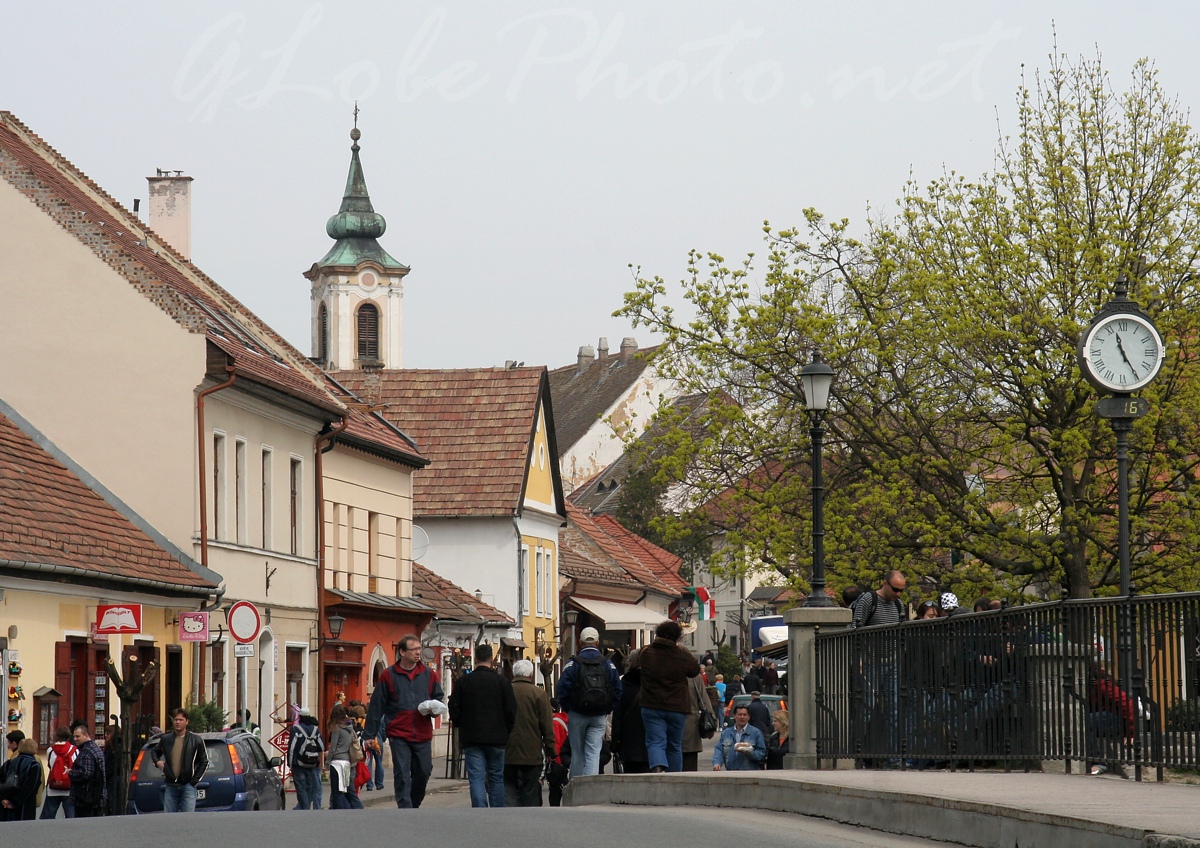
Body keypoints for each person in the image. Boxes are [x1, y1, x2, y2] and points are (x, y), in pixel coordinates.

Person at [365, 633, 445, 808]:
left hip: (423, 733)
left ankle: (414, 803)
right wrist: (370, 734)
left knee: (423, 772)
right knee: (401, 772)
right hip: (398, 732)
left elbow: (438, 697)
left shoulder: (428, 674)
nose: (418, 653)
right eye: (414, 649)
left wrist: (433, 709)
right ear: (402, 652)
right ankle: (405, 807)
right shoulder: (388, 675)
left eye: (419, 649)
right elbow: (376, 706)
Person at [448, 643, 517, 808]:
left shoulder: (464, 682)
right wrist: (506, 731)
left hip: (472, 737)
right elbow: (511, 710)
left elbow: (454, 708)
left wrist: (460, 724)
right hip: (497, 738)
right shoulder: (502, 682)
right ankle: (497, 811)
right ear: (491, 660)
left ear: (475, 659)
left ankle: (480, 810)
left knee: (476, 777)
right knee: (496, 777)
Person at [556, 627, 622, 778]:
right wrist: (607, 708)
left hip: (577, 714)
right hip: (599, 715)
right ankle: (589, 789)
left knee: (577, 753)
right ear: (598, 642)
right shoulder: (607, 664)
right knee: (593, 752)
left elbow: (562, 688)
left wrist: (569, 707)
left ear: (580, 643)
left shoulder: (573, 664)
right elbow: (618, 689)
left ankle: (576, 788)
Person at [637, 619, 701, 773]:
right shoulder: (682, 654)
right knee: (674, 745)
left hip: (651, 704)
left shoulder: (646, 652)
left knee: (655, 742)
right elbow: (694, 670)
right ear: (677, 637)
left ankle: (658, 767)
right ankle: (674, 776)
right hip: (677, 707)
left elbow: (634, 665)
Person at [503, 659, 555, 806]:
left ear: (514, 674)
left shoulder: (504, 691)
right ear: (531, 675)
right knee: (530, 790)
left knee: (509, 789)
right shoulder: (539, 694)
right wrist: (551, 750)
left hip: (507, 750)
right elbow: (547, 725)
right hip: (532, 753)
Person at [151, 707, 209, 813]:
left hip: (188, 786)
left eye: (181, 720)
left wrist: (194, 781)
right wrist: (157, 762)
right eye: (176, 720)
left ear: (186, 722)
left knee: (187, 818)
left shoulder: (196, 740)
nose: (178, 722)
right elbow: (154, 752)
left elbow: (204, 762)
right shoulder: (166, 739)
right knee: (169, 818)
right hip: (170, 786)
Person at [611, 648, 648, 774]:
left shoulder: (624, 684)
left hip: (628, 743)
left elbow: (617, 715)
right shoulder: (652, 684)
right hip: (650, 742)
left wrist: (615, 739)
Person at [326, 703, 364, 809]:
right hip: (347, 762)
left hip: (337, 762)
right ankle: (358, 807)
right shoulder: (350, 728)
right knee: (348, 789)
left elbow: (333, 747)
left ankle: (339, 810)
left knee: (336, 789)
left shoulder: (337, 729)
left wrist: (327, 762)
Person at [287, 706, 324, 810]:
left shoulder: (296, 729)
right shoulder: (315, 730)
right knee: (310, 786)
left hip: (298, 763)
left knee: (301, 787)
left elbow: (292, 747)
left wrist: (290, 763)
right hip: (312, 763)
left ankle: (305, 808)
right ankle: (307, 807)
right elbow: (321, 746)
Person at [682, 665, 718, 772]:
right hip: (690, 726)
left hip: (667, 726)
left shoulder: (663, 673)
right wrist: (712, 722)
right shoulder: (693, 676)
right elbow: (704, 700)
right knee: (689, 766)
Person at [68, 719, 106, 817]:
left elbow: (85, 774)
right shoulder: (95, 748)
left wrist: (70, 772)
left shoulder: (86, 752)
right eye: (74, 736)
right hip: (96, 795)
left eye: (78, 736)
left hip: (86, 798)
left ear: (86, 736)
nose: (75, 739)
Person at [712, 705, 766, 770]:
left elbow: (762, 754)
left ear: (748, 717)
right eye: (739, 714)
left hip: (750, 773)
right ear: (734, 716)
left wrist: (749, 753)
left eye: (745, 715)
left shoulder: (756, 733)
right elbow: (719, 750)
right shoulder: (726, 733)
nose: (742, 717)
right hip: (731, 773)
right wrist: (717, 763)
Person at [0, 738, 41, 820]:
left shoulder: (8, 763)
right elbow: (30, 787)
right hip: (25, 805)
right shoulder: (34, 765)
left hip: (5, 804)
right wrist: (14, 802)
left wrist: (3, 799)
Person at [40, 725, 76, 819]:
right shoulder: (75, 750)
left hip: (53, 787)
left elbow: (50, 765)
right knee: (71, 815)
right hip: (69, 787)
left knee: (48, 815)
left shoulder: (50, 750)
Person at [546, 698, 570, 807]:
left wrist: (553, 758)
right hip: (565, 760)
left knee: (555, 791)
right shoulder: (564, 720)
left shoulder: (554, 723)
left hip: (558, 761)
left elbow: (555, 743)